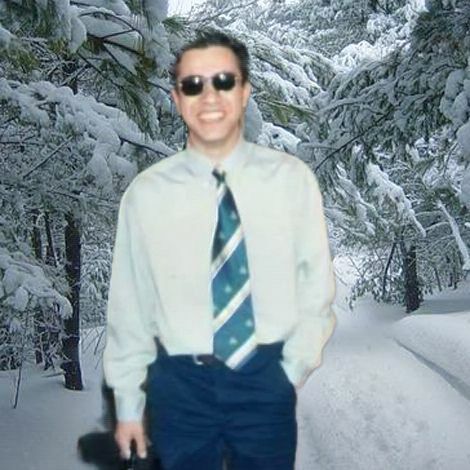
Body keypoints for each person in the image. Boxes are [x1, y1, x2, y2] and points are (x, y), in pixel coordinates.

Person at [103, 31, 336, 470]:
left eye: (224, 81)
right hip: (178, 386)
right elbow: (129, 307)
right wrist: (129, 405)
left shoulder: (290, 181)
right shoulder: (147, 194)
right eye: (193, 84)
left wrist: (290, 370)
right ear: (177, 98)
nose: (209, 96)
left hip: (263, 378)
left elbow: (315, 288)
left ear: (245, 91)